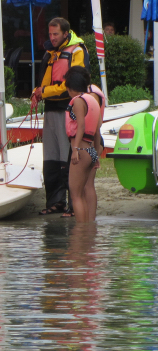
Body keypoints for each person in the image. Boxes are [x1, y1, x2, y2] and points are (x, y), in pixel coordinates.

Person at [32, 17, 90, 216]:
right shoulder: (51, 53)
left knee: (68, 157)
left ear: (66, 33)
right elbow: (44, 82)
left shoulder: (77, 51)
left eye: (55, 34)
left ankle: (74, 204)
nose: (52, 37)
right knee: (51, 158)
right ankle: (56, 202)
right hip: (51, 109)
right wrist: (36, 93)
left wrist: (44, 92)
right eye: (50, 34)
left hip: (68, 109)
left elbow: (74, 84)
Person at [64, 68, 102, 222]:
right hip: (91, 150)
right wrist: (96, 154)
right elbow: (97, 130)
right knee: (84, 192)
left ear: (70, 88)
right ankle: (88, 229)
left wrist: (75, 149)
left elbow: (80, 126)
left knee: (76, 195)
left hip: (81, 150)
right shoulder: (93, 100)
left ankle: (81, 231)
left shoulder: (78, 101)